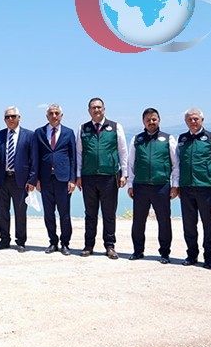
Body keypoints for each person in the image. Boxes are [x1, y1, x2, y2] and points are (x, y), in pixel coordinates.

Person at [76, 97, 128, 259]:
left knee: (109, 213)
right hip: (89, 177)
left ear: (104, 109)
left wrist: (124, 173)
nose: (96, 110)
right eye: (93, 108)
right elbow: (79, 153)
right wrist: (78, 175)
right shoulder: (83, 128)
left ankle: (110, 246)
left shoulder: (115, 127)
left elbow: (123, 151)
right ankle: (88, 245)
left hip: (109, 177)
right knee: (90, 214)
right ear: (89, 111)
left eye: (99, 107)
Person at [126, 108, 179, 264]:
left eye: (154, 119)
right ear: (143, 122)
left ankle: (165, 253)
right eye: (148, 120)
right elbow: (130, 163)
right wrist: (130, 184)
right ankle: (138, 250)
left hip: (161, 185)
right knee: (138, 221)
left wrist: (175, 185)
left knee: (164, 221)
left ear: (159, 120)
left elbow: (176, 164)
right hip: (140, 186)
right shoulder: (137, 139)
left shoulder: (168, 139)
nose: (151, 122)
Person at [176, 108, 211, 269]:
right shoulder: (182, 139)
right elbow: (177, 164)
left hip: (207, 187)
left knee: (208, 223)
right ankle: (191, 255)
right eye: (189, 119)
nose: (193, 121)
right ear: (185, 121)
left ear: (202, 120)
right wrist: (176, 185)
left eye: (196, 118)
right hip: (186, 187)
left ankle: (209, 257)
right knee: (189, 224)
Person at [0, 106, 38, 253]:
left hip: (21, 180)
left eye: (13, 116)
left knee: (20, 212)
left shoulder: (29, 135)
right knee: (3, 212)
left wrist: (32, 180)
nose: (10, 119)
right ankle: (4, 239)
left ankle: (21, 241)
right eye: (7, 117)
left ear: (19, 117)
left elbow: (34, 160)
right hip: (3, 179)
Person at [35, 104, 77, 255]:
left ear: (61, 115)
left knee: (64, 213)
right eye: (51, 113)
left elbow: (73, 157)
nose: (54, 116)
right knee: (48, 213)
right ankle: (53, 242)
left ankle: (65, 243)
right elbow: (36, 157)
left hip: (63, 179)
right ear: (47, 116)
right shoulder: (39, 132)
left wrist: (72, 179)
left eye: (57, 113)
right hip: (45, 179)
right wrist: (36, 179)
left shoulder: (68, 133)